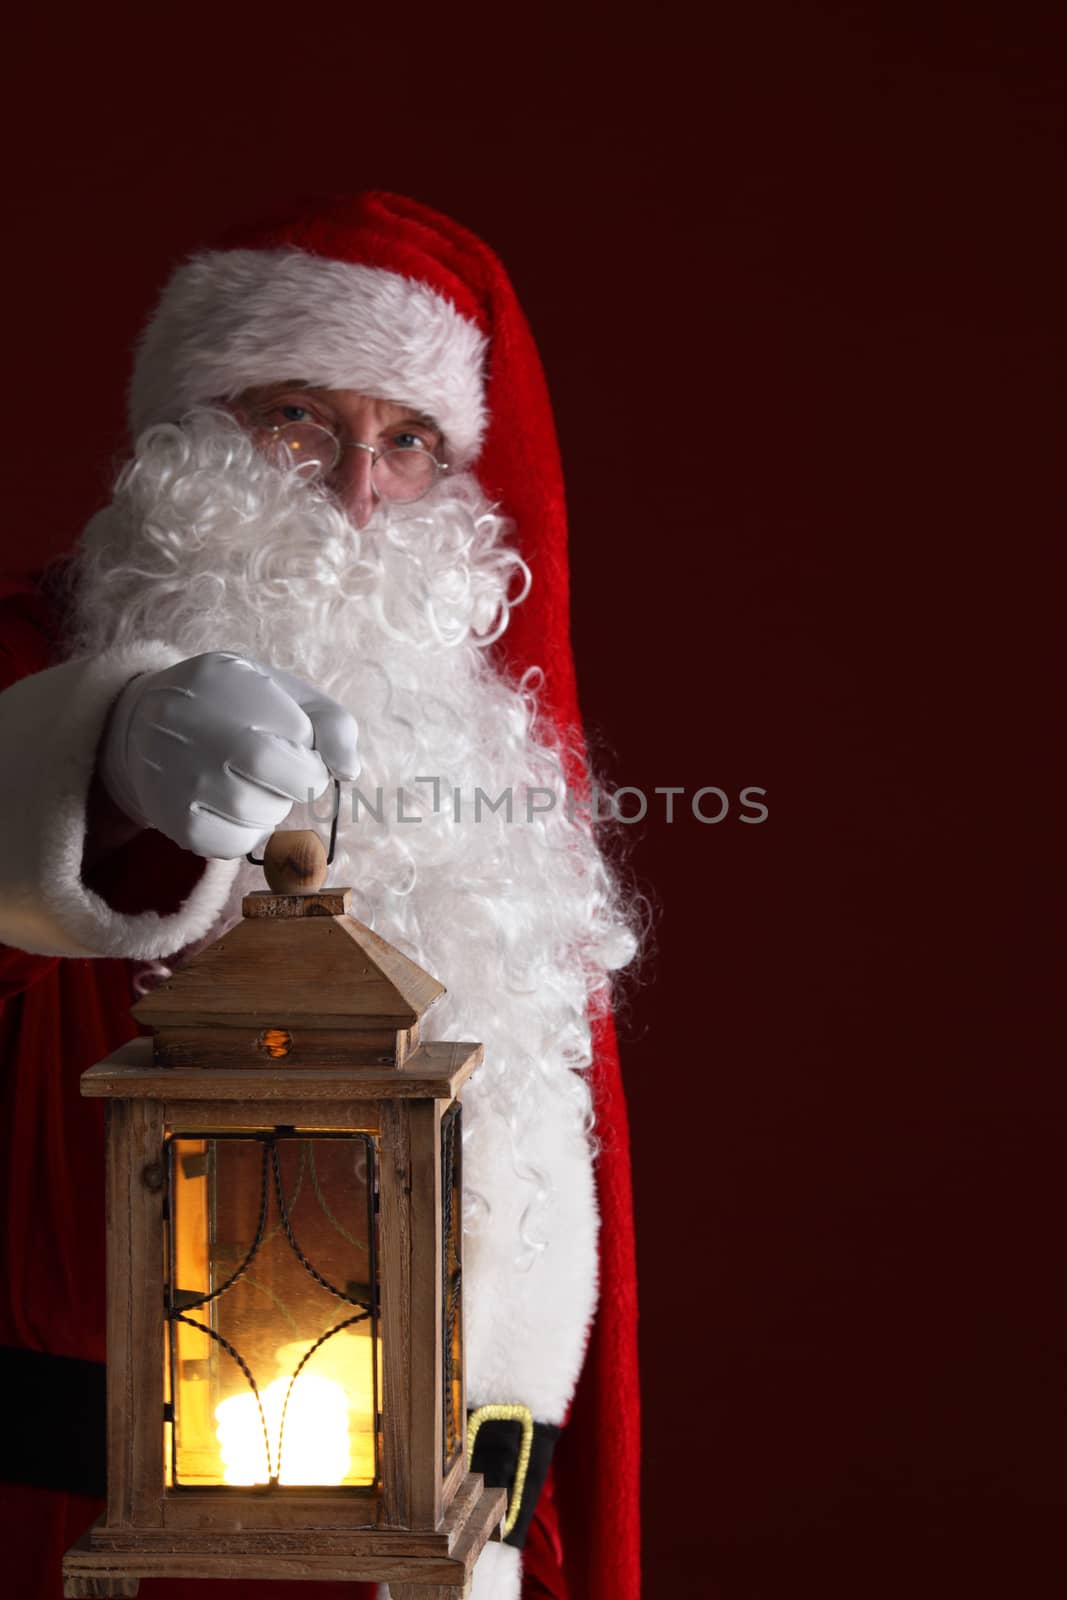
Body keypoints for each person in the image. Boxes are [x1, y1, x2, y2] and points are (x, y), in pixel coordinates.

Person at [0, 193, 640, 1600]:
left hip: (453, 1533)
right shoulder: (41, 653)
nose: (358, 487)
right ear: (194, 429)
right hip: (114, 1522)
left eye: (407, 440)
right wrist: (103, 756)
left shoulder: (486, 733)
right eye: (300, 417)